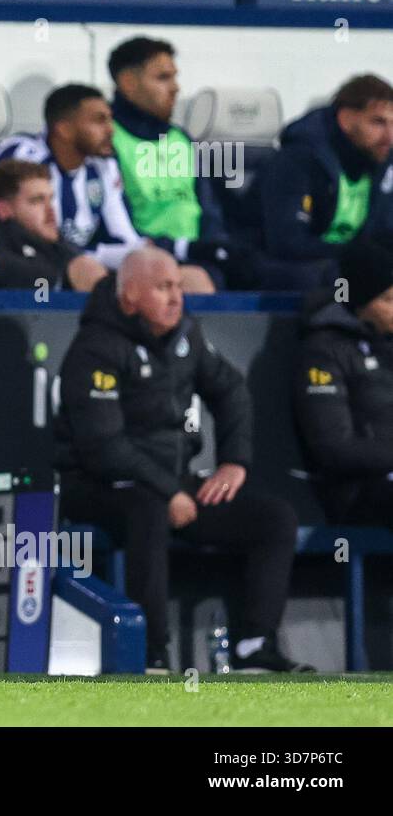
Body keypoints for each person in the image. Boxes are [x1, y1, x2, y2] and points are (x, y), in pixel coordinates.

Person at [55, 247, 309, 673]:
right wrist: (169, 489)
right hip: (96, 486)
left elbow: (231, 390)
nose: (176, 298)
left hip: (172, 482)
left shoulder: (186, 335)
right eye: (163, 288)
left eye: (177, 286)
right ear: (131, 295)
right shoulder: (95, 348)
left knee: (275, 518)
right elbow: (104, 448)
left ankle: (254, 647)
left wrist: (234, 461)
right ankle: (150, 653)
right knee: (148, 508)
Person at [0, 83, 215, 293]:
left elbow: (125, 238)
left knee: (191, 279)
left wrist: (155, 259)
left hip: (84, 262)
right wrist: (90, 259)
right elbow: (1, 231)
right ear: (64, 129)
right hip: (13, 263)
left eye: (110, 119)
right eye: (99, 121)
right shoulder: (23, 155)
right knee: (86, 270)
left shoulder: (103, 167)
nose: (111, 129)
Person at [107, 37, 249, 288]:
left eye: (174, 77)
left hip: (196, 258)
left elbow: (210, 211)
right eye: (163, 78)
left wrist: (213, 247)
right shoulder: (110, 140)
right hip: (139, 261)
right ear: (128, 83)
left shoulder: (181, 139)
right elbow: (114, 223)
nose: (175, 88)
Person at [294, 239, 393, 529]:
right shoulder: (323, 350)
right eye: (388, 299)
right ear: (361, 303)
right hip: (358, 490)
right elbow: (332, 448)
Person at [260, 75, 393, 290]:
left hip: (349, 262)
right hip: (287, 266)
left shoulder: (382, 160)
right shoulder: (299, 157)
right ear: (346, 118)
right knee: (334, 278)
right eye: (378, 122)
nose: (389, 136)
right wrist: (358, 254)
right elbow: (287, 243)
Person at [0, 160, 106, 291]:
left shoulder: (63, 250)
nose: (50, 210)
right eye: (37, 200)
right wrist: (63, 277)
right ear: (5, 210)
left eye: (50, 199)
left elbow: (42, 303)